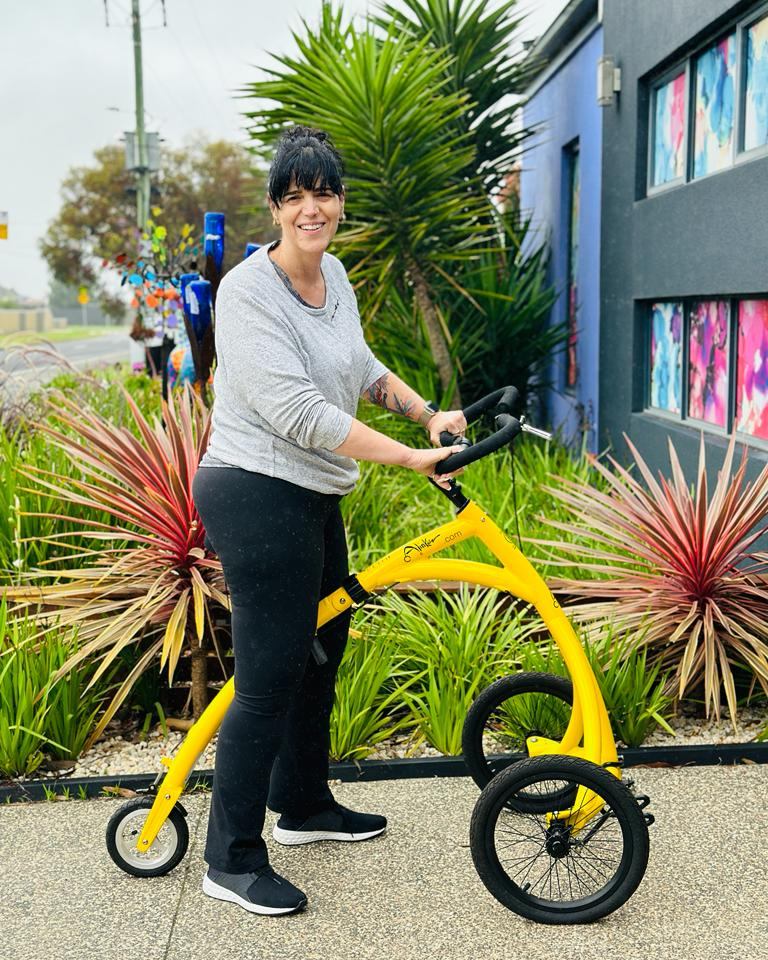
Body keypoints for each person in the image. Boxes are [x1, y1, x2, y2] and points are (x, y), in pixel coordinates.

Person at [192, 126, 467, 917]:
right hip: (253, 489)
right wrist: (410, 461)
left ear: (340, 201)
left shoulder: (334, 275)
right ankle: (232, 858)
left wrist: (424, 414)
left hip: (311, 492)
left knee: (324, 643)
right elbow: (302, 413)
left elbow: (361, 364)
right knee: (271, 670)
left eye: (325, 193)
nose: (312, 208)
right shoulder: (246, 294)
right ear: (276, 206)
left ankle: (304, 806)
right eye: (296, 195)